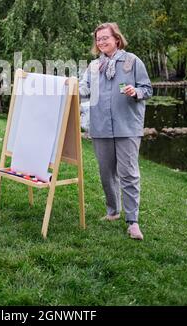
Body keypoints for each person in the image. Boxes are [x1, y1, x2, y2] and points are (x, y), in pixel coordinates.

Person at [79, 22, 152, 240]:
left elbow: (147, 89)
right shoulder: (93, 67)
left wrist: (135, 91)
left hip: (127, 126)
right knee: (106, 173)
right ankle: (112, 211)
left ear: (116, 39)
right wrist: (67, 88)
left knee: (128, 174)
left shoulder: (132, 61)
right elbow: (84, 90)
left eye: (105, 38)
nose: (101, 42)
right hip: (100, 127)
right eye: (98, 39)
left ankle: (133, 222)